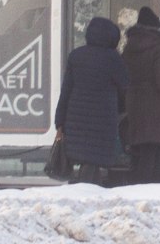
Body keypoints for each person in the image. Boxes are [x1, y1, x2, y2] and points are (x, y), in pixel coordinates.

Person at [54, 16, 131, 185]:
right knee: (93, 161)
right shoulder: (113, 59)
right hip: (102, 120)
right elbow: (125, 85)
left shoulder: (76, 56)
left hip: (76, 119)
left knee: (84, 159)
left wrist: (60, 121)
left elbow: (66, 91)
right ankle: (87, 194)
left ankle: (82, 192)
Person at [121, 7, 160, 185]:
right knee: (155, 152)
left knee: (142, 152)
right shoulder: (158, 49)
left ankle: (138, 187)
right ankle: (153, 191)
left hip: (134, 104)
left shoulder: (129, 48)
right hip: (156, 108)